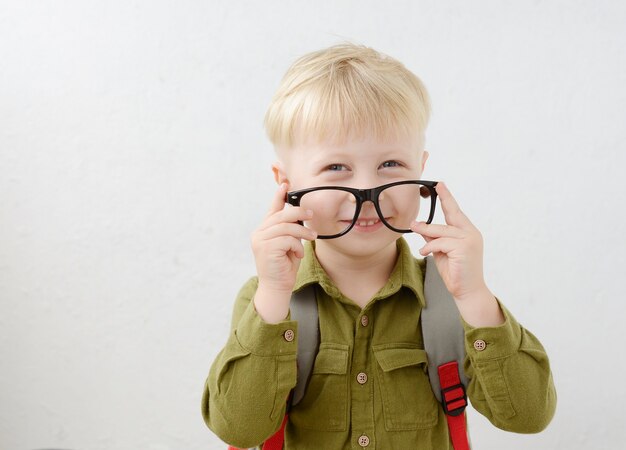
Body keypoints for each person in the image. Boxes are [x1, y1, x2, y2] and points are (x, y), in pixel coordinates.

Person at [201, 43, 556, 449]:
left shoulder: (451, 298)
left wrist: (475, 295)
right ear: (287, 184)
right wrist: (272, 295)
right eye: (337, 168)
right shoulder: (267, 300)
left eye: (390, 165)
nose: (365, 192)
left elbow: (529, 416)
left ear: (420, 171)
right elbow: (237, 428)